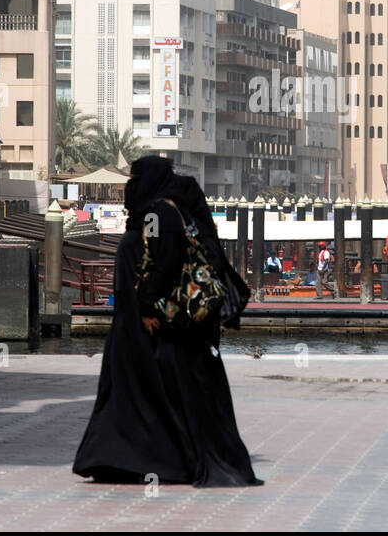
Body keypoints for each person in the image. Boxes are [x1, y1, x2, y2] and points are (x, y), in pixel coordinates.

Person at [73, 155, 261, 488]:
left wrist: (146, 306)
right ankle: (120, 460)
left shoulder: (160, 213)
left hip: (151, 324)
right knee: (133, 390)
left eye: (136, 177)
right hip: (136, 324)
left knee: (149, 389)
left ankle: (149, 461)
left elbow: (167, 260)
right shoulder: (156, 212)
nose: (131, 185)